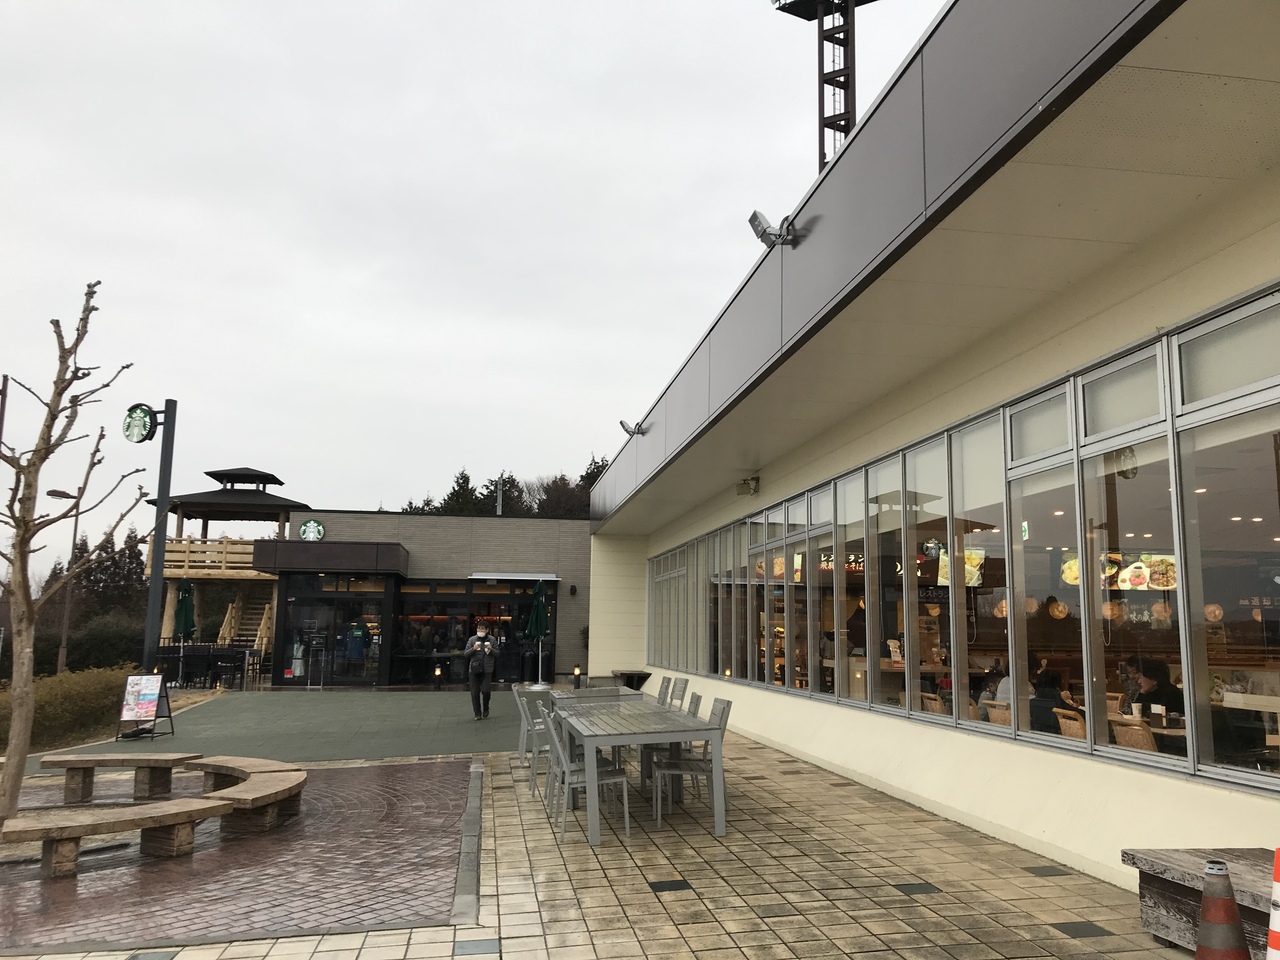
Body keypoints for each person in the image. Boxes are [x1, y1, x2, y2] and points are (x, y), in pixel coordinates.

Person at [465, 623, 499, 720]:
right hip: (474, 669)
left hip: (487, 669)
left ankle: (486, 708)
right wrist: (473, 649)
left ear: (487, 630)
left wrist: (491, 649)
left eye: (482, 629)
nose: (480, 631)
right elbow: (466, 653)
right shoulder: (472, 640)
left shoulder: (492, 640)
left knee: (486, 691)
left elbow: (497, 654)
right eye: (479, 629)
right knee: (474, 692)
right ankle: (477, 713)